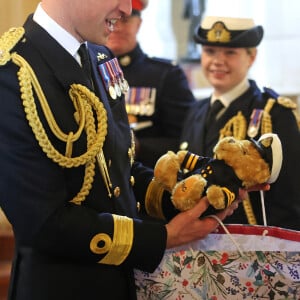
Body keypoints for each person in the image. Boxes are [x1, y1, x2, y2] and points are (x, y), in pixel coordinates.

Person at [0, 2, 245, 300]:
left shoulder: (98, 56)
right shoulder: (12, 73)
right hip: (61, 286)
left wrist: (195, 197)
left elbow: (120, 173)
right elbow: (42, 222)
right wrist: (162, 238)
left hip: (122, 282)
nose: (127, 9)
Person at [179, 16, 300, 230]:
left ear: (251, 57)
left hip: (252, 247)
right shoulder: (195, 110)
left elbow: (289, 199)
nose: (218, 61)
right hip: (198, 243)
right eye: (210, 51)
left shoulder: (272, 114)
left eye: (230, 53)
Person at [105, 0, 197, 168]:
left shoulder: (166, 75)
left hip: (149, 177)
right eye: (111, 20)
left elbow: (188, 139)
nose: (117, 27)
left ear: (138, 24)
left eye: (124, 20)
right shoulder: (87, 70)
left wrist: (138, 146)